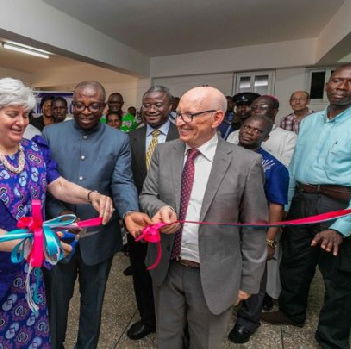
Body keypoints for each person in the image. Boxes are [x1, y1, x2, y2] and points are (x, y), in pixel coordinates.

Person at [0, 77, 114, 348]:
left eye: (24, 114)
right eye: (12, 114)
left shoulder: (34, 151)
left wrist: (91, 196)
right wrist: (36, 244)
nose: (21, 121)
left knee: (27, 337)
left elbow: (57, 185)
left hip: (26, 271)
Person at [127, 86, 268, 348]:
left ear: (216, 118)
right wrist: (158, 209)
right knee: (167, 339)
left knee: (204, 341)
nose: (181, 122)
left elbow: (254, 228)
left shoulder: (245, 163)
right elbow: (147, 195)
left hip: (214, 274)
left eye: (190, 115)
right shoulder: (165, 152)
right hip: (167, 267)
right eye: (179, 115)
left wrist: (248, 282)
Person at [261, 63, 351, 349]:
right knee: (295, 262)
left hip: (342, 205)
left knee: (340, 278)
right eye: (337, 80)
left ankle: (332, 339)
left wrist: (342, 227)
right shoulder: (309, 122)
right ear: (326, 85)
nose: (342, 87)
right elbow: (296, 167)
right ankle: (291, 312)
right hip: (303, 201)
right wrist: (284, 205)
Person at [43, 81, 148, 349]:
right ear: (72, 104)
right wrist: (60, 213)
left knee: (93, 302)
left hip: (100, 237)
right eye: (79, 104)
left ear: (103, 107)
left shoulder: (118, 139)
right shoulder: (51, 133)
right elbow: (44, 184)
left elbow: (123, 182)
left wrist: (130, 213)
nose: (85, 111)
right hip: (58, 236)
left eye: (93, 106)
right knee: (56, 301)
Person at [228, 115, 289, 344]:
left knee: (254, 277)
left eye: (256, 131)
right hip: (223, 229)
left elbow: (276, 205)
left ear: (266, 137)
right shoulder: (223, 154)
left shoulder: (274, 167)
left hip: (253, 233)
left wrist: (270, 240)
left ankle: (247, 321)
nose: (249, 132)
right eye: (246, 127)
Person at [126, 86, 179, 341]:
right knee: (140, 269)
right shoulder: (132, 137)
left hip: (173, 219)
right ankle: (148, 318)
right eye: (147, 104)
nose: (151, 109)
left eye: (158, 104)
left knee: (172, 273)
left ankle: (174, 322)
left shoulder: (183, 135)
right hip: (138, 217)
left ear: (170, 106)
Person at [227, 95, 297, 166]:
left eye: (263, 107)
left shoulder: (288, 137)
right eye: (253, 108)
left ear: (275, 111)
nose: (257, 110)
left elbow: (287, 165)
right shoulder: (236, 134)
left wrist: (257, 148)